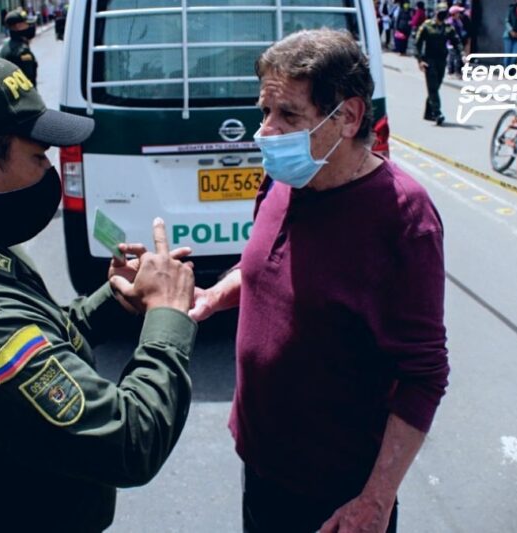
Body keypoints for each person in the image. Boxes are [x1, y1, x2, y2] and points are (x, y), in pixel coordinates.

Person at [0, 56, 198, 532]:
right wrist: (168, 317)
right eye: (39, 156)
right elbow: (131, 442)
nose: (50, 171)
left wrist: (113, 300)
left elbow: (41, 333)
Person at [189, 28, 449, 533]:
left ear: (349, 117)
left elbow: (424, 375)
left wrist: (375, 501)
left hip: (335, 499)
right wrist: (213, 296)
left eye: (288, 115)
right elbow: (264, 267)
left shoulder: (404, 218)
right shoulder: (285, 179)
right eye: (264, 112)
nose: (265, 131)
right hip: (262, 467)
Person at [415, 3, 461, 125]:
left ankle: (428, 112)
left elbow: (456, 41)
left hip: (442, 60)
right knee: (433, 87)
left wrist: (462, 55)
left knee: (436, 86)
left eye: (444, 12)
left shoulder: (448, 27)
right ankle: (437, 113)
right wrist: (420, 60)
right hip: (429, 60)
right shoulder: (427, 26)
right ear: (436, 12)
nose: (442, 14)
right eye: (440, 11)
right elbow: (417, 44)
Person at [0, 9, 39, 84]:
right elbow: (28, 84)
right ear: (18, 26)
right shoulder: (22, 52)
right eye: (27, 24)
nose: (31, 27)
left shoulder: (6, 47)